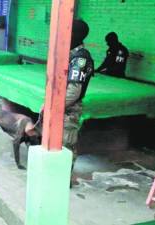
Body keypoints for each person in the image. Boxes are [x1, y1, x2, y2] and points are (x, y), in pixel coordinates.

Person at [64, 19, 94, 163]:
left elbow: (73, 92)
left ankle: (64, 181)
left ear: (74, 35)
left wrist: (55, 107)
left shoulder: (80, 58)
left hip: (69, 111)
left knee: (66, 147)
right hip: (64, 109)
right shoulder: (72, 54)